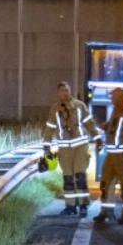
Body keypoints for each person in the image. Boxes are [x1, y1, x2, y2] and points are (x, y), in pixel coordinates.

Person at [42, 81, 100, 216]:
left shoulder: (80, 106)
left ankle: (83, 205)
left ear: (70, 91)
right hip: (65, 149)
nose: (65, 93)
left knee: (80, 176)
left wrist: (97, 137)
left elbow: (89, 123)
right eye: (62, 90)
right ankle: (70, 206)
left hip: (80, 146)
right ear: (58, 93)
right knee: (68, 177)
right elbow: (49, 129)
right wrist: (46, 147)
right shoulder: (55, 110)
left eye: (67, 90)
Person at [94, 87, 123, 225]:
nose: (112, 100)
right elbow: (113, 126)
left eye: (114, 97)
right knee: (106, 184)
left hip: (122, 156)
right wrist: (105, 126)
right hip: (111, 155)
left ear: (121, 98)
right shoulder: (116, 111)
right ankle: (106, 211)